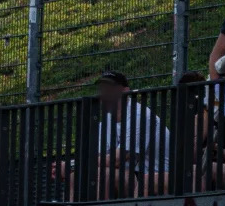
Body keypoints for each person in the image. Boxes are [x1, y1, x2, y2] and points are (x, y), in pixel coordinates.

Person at [57, 71, 171, 199]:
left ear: (125, 91)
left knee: (103, 174)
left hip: (158, 176)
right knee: (76, 176)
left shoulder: (140, 116)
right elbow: (98, 157)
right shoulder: (107, 121)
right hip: (133, 175)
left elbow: (119, 159)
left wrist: (73, 165)